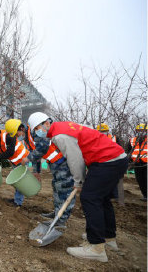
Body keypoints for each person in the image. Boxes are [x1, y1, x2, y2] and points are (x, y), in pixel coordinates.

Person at [41, 120, 127, 262]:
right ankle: (108, 237)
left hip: (107, 160)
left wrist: (78, 181)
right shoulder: (63, 126)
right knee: (102, 198)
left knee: (89, 198)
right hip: (115, 158)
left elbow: (75, 159)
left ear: (44, 124)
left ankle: (96, 247)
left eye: (38, 128)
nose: (40, 132)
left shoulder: (60, 135)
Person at [28, 112, 76, 227]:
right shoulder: (34, 134)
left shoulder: (48, 133)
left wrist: (27, 159)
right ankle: (57, 212)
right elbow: (37, 154)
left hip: (64, 165)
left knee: (64, 190)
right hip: (55, 166)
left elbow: (40, 150)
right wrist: (36, 171)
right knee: (56, 188)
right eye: (35, 129)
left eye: (37, 128)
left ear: (45, 123)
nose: (36, 131)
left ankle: (61, 219)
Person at [0, 119, 30, 207]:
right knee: (15, 181)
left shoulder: (8, 135)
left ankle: (18, 202)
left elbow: (10, 152)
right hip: (15, 161)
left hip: (22, 159)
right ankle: (17, 199)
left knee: (18, 181)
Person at [128, 123, 147, 201]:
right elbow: (129, 151)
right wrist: (129, 161)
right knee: (140, 180)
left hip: (146, 164)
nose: (141, 132)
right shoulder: (132, 140)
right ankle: (145, 195)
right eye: (139, 130)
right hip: (137, 164)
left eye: (143, 130)